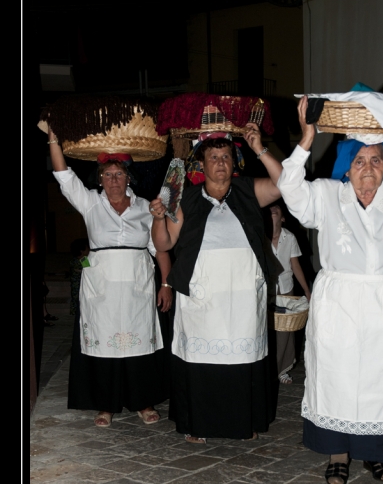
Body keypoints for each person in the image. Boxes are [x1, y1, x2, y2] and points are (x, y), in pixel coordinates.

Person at [277, 96, 383, 484]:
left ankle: (376, 453)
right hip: (341, 303)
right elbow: (289, 189)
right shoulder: (325, 196)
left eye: (376, 161)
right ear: (347, 167)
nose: (368, 169)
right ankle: (338, 453)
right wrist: (306, 141)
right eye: (359, 161)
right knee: (338, 378)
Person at [149, 124, 283, 443]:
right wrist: (157, 215)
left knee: (242, 358)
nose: (220, 162)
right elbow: (164, 243)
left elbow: (286, 184)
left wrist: (259, 148)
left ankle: (243, 421)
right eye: (213, 157)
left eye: (225, 156)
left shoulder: (250, 190)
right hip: (202, 293)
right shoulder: (186, 198)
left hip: (243, 294)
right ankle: (199, 425)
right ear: (202, 164)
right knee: (201, 360)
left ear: (234, 162)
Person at [47, 127, 172, 427]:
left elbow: (160, 249)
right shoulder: (90, 202)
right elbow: (63, 175)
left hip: (138, 287)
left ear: (129, 177)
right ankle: (106, 405)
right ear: (99, 179)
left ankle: (143, 402)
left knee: (139, 344)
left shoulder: (146, 207)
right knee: (103, 344)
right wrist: (54, 137)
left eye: (118, 174)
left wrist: (166, 283)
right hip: (100, 288)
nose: (113, 180)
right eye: (107, 175)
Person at [269, 199, 311, 384]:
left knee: (286, 332)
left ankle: (282, 370)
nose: (272, 209)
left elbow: (296, 265)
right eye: (269, 208)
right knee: (269, 331)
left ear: (283, 218)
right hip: (268, 290)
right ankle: (268, 369)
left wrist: (307, 291)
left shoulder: (290, 237)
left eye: (276, 208)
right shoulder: (260, 236)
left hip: (286, 289)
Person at [68, 238, 90, 315]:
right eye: (87, 248)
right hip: (80, 286)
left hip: (76, 286)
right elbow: (88, 271)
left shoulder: (74, 260)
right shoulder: (83, 259)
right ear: (81, 251)